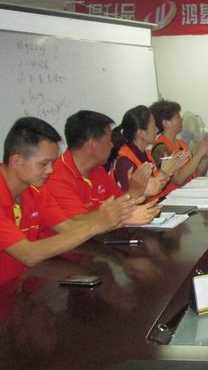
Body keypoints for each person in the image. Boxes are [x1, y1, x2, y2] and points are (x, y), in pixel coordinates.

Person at [0, 117, 137, 286]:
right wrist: (97, 224)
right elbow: (29, 254)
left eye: (53, 162)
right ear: (16, 161)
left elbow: (68, 227)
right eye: (44, 164)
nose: (50, 170)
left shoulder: (35, 190)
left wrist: (113, 217)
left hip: (20, 285)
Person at [42, 110, 158, 224]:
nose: (112, 145)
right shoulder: (56, 176)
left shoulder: (97, 169)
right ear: (91, 144)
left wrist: (135, 191)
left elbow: (118, 202)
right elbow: (79, 223)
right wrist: (127, 207)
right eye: (108, 141)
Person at [109, 105, 188, 198]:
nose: (157, 130)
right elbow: (145, 193)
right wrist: (165, 172)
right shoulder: (124, 161)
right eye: (153, 126)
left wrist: (170, 169)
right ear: (141, 133)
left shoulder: (144, 153)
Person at [149, 100, 208, 187]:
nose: (182, 119)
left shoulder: (181, 143)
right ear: (165, 123)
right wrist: (199, 154)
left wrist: (206, 157)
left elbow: (197, 175)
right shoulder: (160, 148)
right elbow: (178, 179)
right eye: (178, 117)